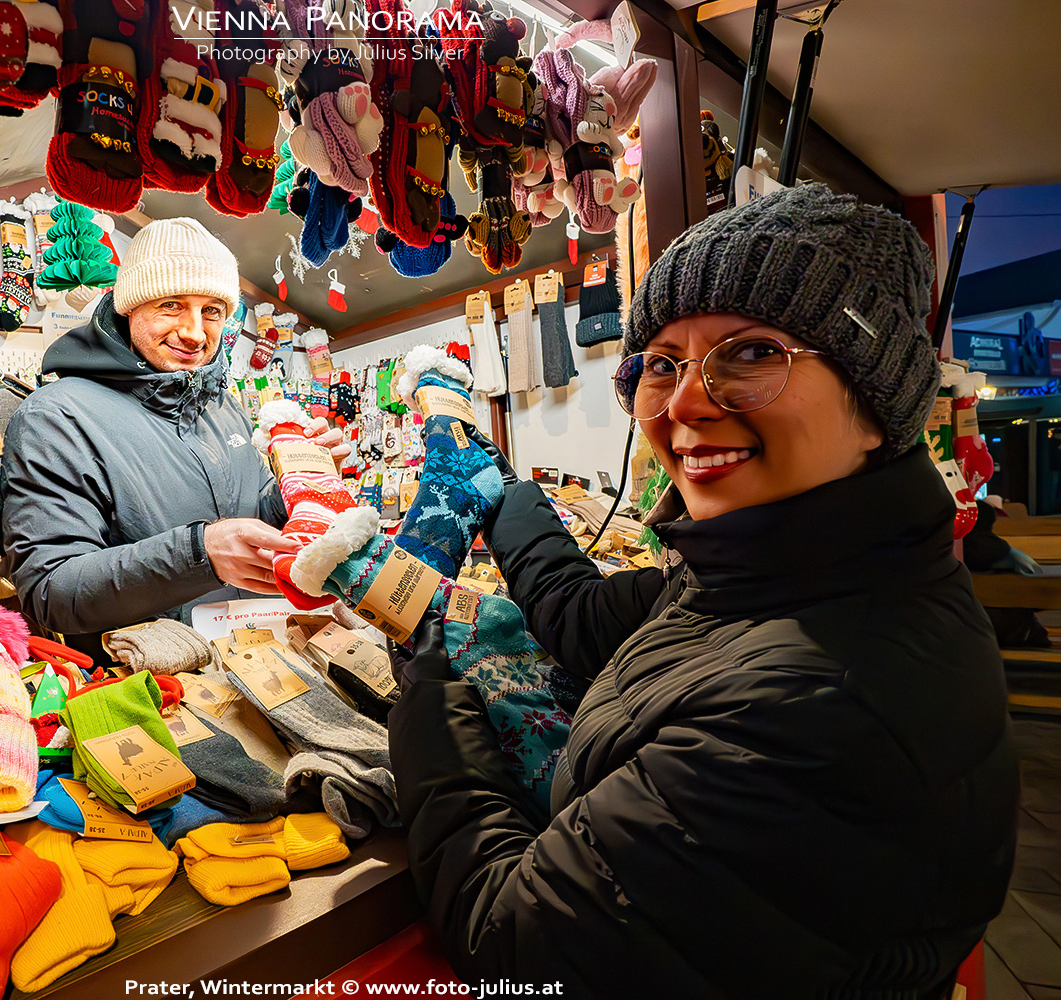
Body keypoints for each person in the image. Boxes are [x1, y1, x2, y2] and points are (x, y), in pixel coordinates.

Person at [388, 185, 1018, 998]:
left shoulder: (817, 706)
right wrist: (505, 493)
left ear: (877, 403)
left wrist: (430, 711)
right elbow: (585, 620)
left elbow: (519, 944)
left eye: (753, 353)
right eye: (662, 364)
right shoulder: (774, 575)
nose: (686, 403)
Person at [3, 218, 348, 656]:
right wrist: (199, 553)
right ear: (130, 307)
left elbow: (255, 515)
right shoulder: (56, 417)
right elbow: (51, 590)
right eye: (171, 304)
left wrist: (300, 482)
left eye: (212, 311)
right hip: (158, 685)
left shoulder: (223, 408)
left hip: (263, 662)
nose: (194, 331)